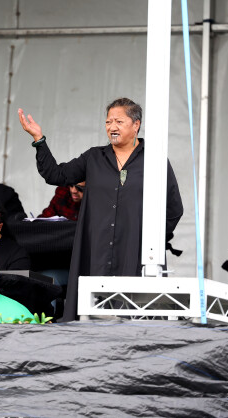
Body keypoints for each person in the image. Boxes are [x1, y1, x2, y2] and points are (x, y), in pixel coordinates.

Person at [18, 98, 184, 321]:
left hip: (136, 251)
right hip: (96, 249)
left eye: (119, 121)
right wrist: (39, 139)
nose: (112, 127)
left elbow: (174, 208)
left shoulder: (154, 159)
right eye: (108, 122)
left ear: (136, 125)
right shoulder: (94, 157)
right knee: (93, 313)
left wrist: (150, 238)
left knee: (136, 316)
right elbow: (55, 174)